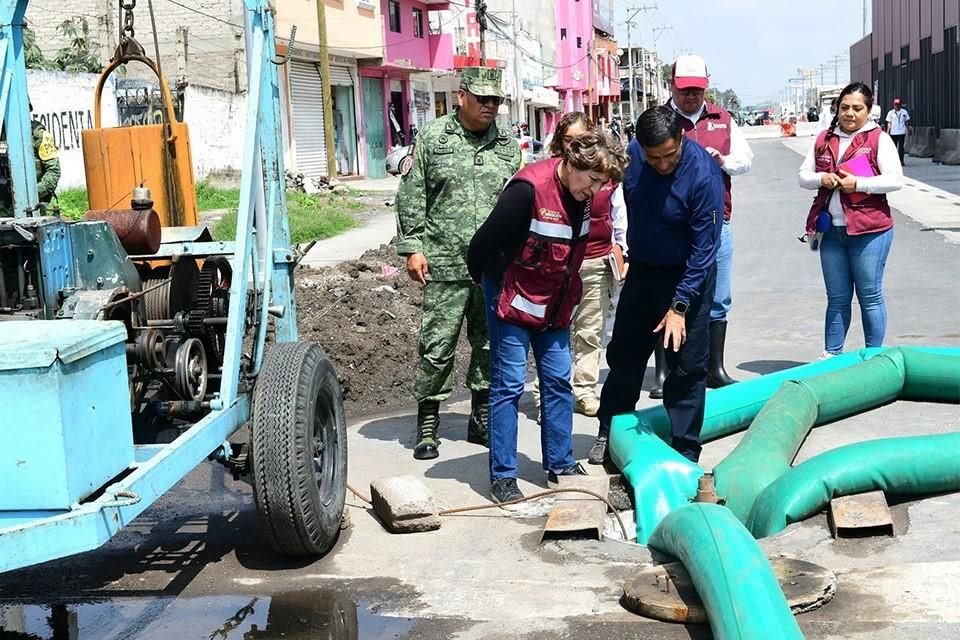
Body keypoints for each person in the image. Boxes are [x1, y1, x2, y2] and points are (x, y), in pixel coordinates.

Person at [467, 130, 628, 505]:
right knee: (508, 384)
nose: (594, 191)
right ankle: (504, 475)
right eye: (591, 182)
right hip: (513, 298)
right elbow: (480, 247)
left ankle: (561, 463)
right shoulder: (527, 190)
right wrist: (492, 289)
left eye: (601, 185)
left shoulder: (582, 196)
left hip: (554, 302)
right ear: (571, 163)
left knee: (558, 380)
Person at [395, 67, 522, 460]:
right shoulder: (434, 137)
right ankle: (428, 421)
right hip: (444, 261)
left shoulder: (508, 145)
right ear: (461, 96)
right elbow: (413, 194)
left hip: (493, 266)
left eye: (496, 101)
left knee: (488, 344)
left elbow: (519, 202)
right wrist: (413, 246)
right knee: (437, 345)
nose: (490, 107)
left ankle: (481, 414)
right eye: (482, 99)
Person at [587, 106, 723, 466]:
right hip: (644, 270)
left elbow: (705, 248)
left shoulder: (704, 176)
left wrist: (679, 307)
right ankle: (610, 431)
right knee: (625, 357)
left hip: (686, 276)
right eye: (654, 158)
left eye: (669, 156)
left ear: (681, 138)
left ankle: (684, 448)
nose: (662, 165)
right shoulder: (632, 157)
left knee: (685, 367)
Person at [646, 54, 753, 399]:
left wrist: (723, 161)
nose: (691, 97)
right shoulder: (660, 121)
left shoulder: (722, 120)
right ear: (671, 86)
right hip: (671, 225)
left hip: (717, 223)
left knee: (718, 298)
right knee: (667, 297)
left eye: (697, 90)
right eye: (684, 90)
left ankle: (713, 369)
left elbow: (745, 160)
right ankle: (664, 373)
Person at [532, 112, 627, 420]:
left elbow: (619, 216)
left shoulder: (606, 178)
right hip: (552, 266)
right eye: (569, 141)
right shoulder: (546, 179)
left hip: (594, 260)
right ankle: (545, 389)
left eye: (581, 140)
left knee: (590, 330)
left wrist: (621, 251)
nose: (576, 147)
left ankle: (584, 390)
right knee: (550, 329)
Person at [798, 82, 902, 357]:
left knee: (869, 296)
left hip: (870, 231)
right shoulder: (823, 138)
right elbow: (803, 175)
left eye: (857, 108)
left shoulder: (879, 139)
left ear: (869, 111)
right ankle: (831, 356)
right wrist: (821, 178)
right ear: (837, 108)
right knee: (837, 298)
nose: (850, 113)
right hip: (831, 232)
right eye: (844, 107)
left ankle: (873, 358)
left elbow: (895, 180)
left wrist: (860, 183)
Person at [0, 103, 61, 218]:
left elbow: (53, 171)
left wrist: (32, 193)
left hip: (33, 205)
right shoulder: (2, 134)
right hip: (4, 206)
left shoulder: (38, 134)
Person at [884, 98, 912, 165]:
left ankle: (901, 161)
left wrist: (909, 129)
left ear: (900, 105)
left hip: (902, 132)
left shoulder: (904, 112)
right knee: (893, 147)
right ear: (893, 105)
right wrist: (887, 132)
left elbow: (907, 122)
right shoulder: (891, 113)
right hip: (893, 132)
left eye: (898, 104)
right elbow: (889, 123)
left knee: (901, 147)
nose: (897, 106)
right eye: (896, 105)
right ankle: (894, 161)